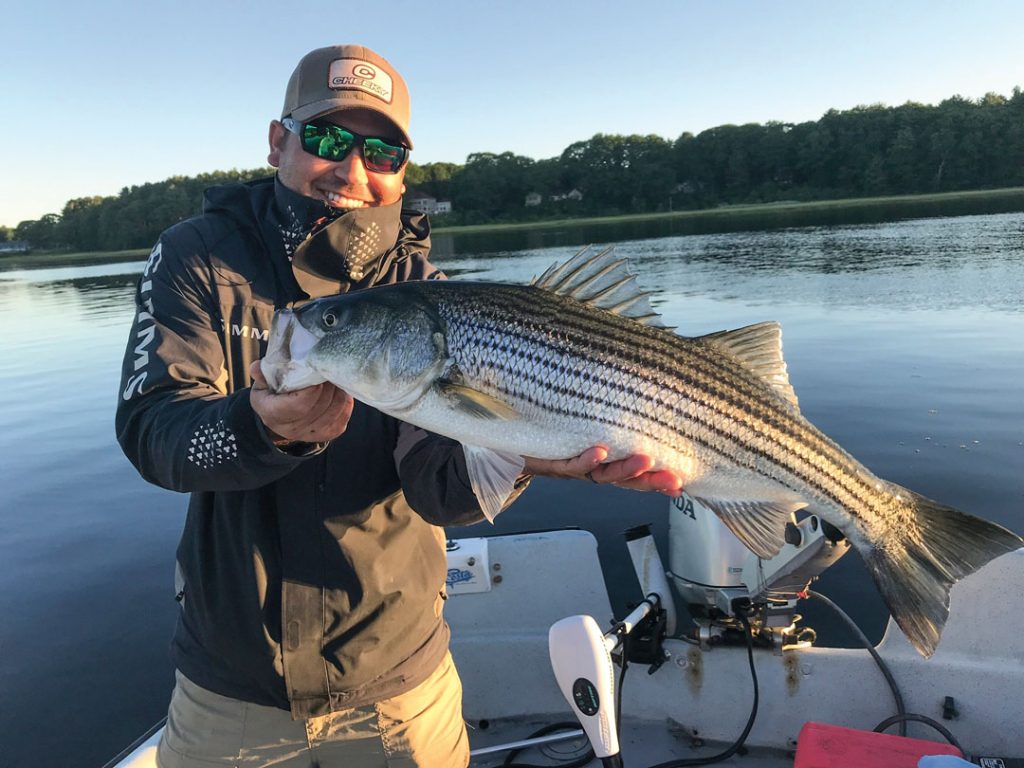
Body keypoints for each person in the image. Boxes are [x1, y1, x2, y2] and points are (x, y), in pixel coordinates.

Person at [116, 43, 683, 768]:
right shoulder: (198, 257)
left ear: (403, 170)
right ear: (276, 141)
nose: (352, 172)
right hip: (231, 691)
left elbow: (439, 489)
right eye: (326, 139)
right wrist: (259, 430)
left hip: (396, 688)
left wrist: (518, 456)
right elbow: (152, 430)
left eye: (382, 151)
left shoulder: (428, 291)